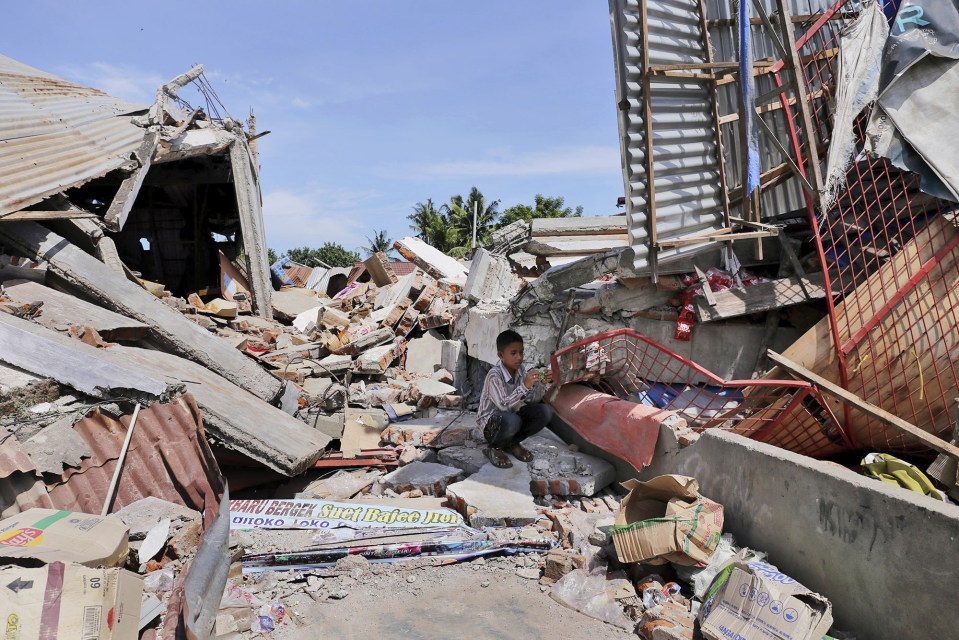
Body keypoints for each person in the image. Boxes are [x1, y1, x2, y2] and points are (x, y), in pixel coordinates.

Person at [477, 329, 554, 468]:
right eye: (513, 353)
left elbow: (531, 400)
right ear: (501, 355)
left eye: (521, 352)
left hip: (511, 418)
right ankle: (494, 447)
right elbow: (503, 406)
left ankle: (511, 443)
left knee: (544, 412)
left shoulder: (521, 370)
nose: (519, 357)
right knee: (513, 420)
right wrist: (524, 386)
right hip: (491, 425)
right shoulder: (494, 375)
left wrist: (542, 384)